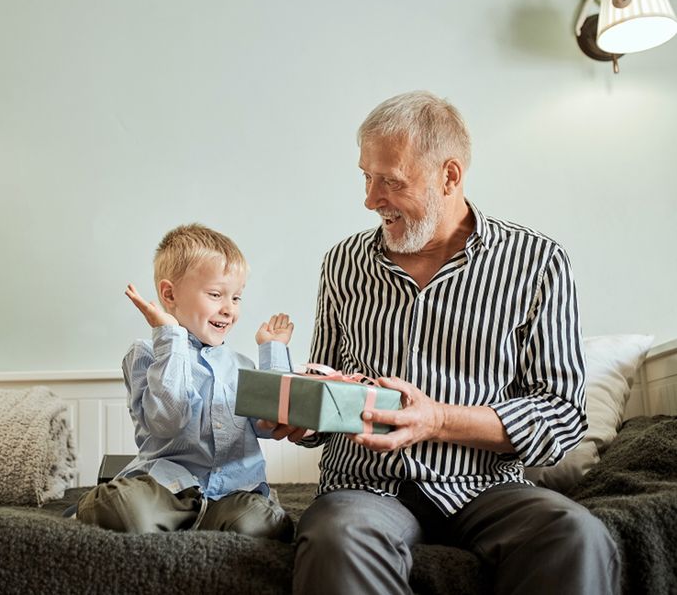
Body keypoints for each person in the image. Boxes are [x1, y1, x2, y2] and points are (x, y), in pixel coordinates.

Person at [264, 91, 619, 594]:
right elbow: (329, 391)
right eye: (366, 176)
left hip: (487, 487)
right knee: (337, 538)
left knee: (577, 535)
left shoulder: (538, 263)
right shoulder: (342, 263)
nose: (370, 198)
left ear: (449, 176)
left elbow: (561, 416)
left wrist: (437, 419)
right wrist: (300, 415)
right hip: (364, 488)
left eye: (390, 181)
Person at [76, 223, 295, 540]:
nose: (229, 309)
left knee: (262, 523)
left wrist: (273, 352)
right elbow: (169, 422)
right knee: (122, 505)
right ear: (169, 294)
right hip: (169, 491)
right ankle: (159, 516)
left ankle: (209, 521)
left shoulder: (242, 366)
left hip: (231, 496)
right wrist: (170, 338)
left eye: (236, 298)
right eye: (216, 294)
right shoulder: (146, 354)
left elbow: (272, 424)